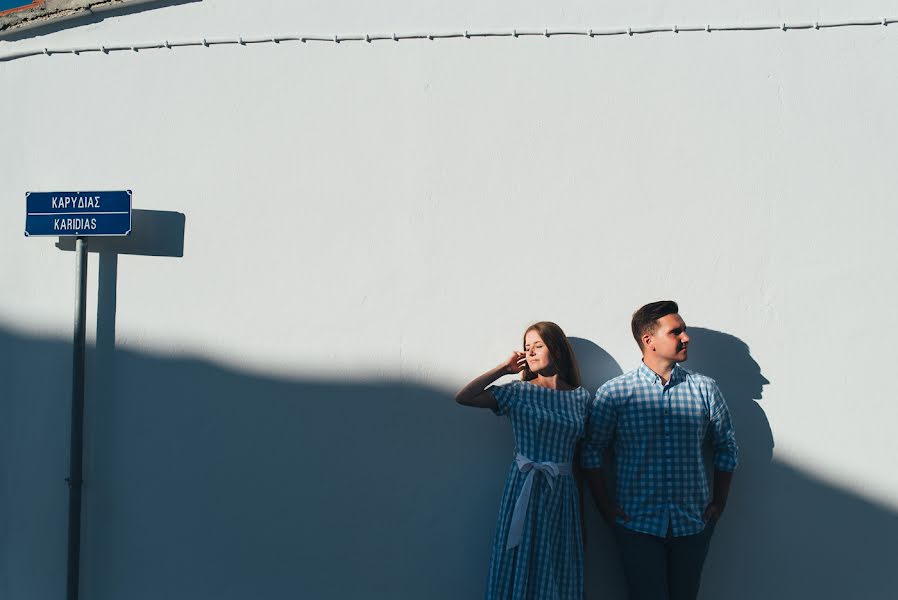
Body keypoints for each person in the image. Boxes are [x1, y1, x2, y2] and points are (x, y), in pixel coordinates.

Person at [582, 301, 738, 600]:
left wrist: (719, 502)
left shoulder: (705, 389)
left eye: (685, 330)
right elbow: (591, 451)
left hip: (692, 524)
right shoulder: (615, 393)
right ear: (648, 340)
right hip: (637, 525)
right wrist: (606, 508)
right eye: (676, 331)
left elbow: (726, 446)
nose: (686, 337)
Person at [455, 321, 591, 600]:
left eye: (537, 345)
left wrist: (583, 512)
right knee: (519, 558)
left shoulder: (581, 398)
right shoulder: (519, 392)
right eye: (527, 347)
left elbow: (579, 459)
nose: (530, 352)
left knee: (557, 563)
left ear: (557, 348)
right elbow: (465, 397)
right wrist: (504, 369)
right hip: (524, 489)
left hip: (562, 493)